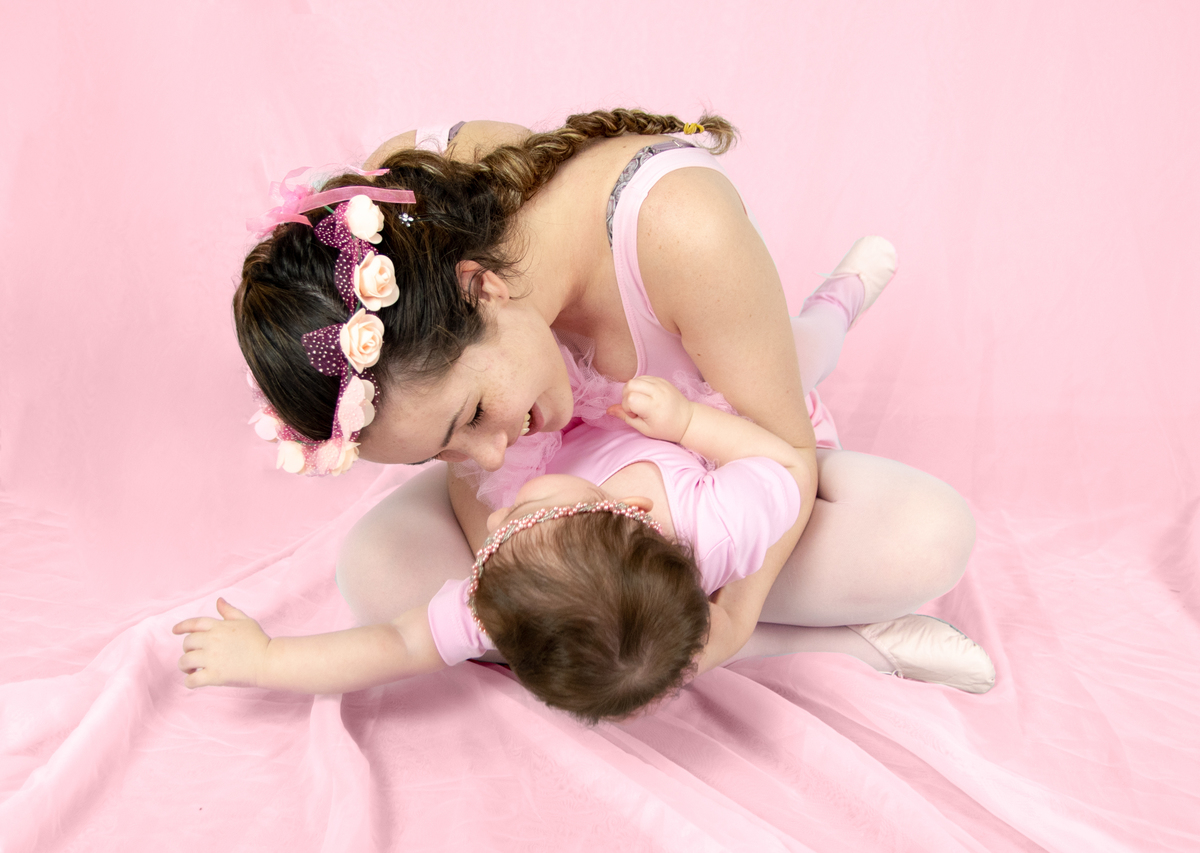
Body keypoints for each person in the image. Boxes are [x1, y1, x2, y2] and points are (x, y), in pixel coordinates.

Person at [233, 109, 980, 682]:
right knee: (375, 569)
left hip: (720, 449)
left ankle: (835, 304)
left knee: (925, 529)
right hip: (577, 506)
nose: (487, 453)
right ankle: (688, 645)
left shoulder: (683, 231)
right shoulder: (403, 240)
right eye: (439, 448)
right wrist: (547, 571)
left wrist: (736, 623)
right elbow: (479, 480)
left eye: (474, 417)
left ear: (480, 285)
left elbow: (780, 456)